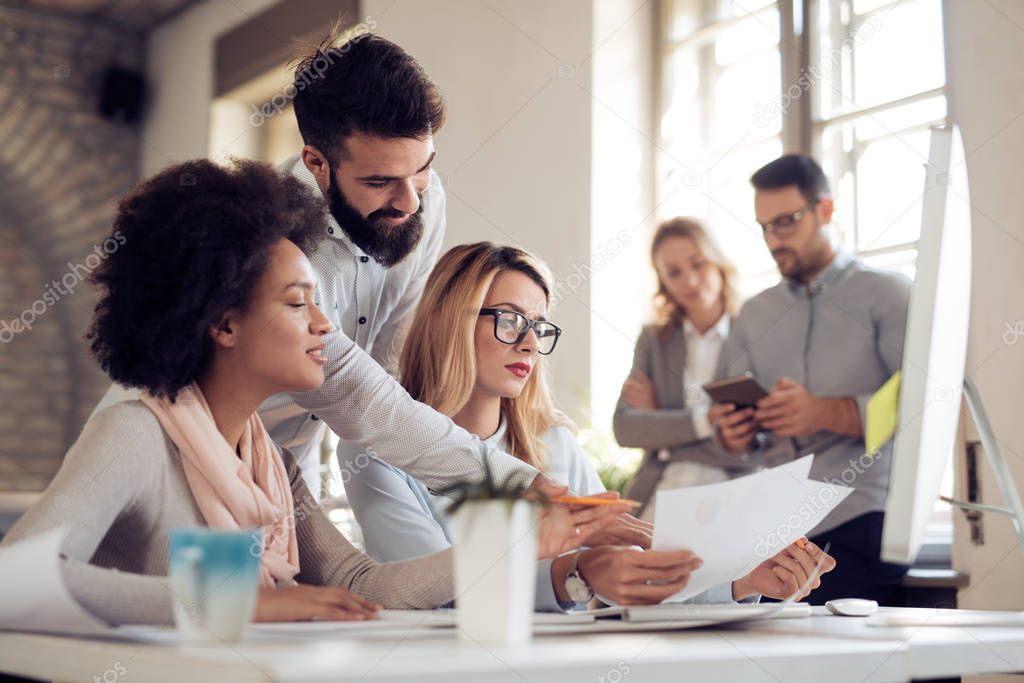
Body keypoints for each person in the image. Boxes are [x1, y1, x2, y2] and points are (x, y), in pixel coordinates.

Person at [1, 161, 627, 625]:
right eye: (298, 303)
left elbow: (364, 585)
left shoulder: (270, 463)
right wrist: (241, 604)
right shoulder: (135, 434)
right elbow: (13, 583)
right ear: (223, 322)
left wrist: (510, 541)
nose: (326, 327)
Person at [344, 242, 837, 609]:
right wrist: (574, 575)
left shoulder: (554, 447)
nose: (530, 344)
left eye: (539, 326)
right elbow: (434, 597)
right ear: (449, 321)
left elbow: (630, 579)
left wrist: (743, 580)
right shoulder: (376, 453)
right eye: (511, 320)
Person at [710, 154, 911, 604]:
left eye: (785, 222)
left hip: (862, 517)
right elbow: (731, 437)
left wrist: (823, 412)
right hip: (775, 524)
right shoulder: (753, 314)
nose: (773, 240)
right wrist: (734, 434)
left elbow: (920, 409)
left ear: (826, 210)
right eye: (764, 227)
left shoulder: (888, 295)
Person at [614, 218, 757, 520]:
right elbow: (625, 428)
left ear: (717, 262)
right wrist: (707, 422)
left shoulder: (755, 334)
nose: (690, 281)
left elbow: (756, 449)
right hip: (659, 496)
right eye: (674, 273)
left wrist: (661, 433)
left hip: (733, 496)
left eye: (698, 264)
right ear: (663, 282)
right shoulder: (654, 340)